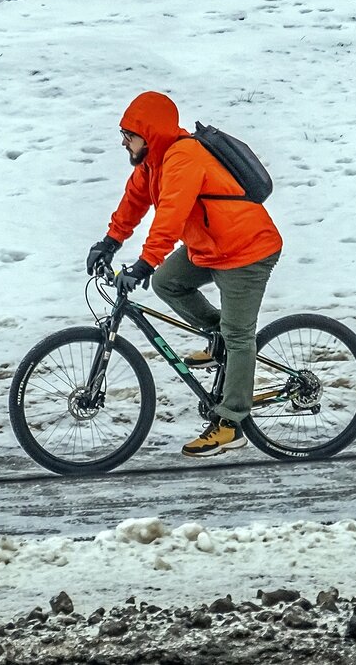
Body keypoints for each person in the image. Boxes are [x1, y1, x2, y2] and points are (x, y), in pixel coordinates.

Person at [85, 91, 283, 458]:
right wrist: (109, 243)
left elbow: (171, 215)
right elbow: (133, 204)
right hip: (210, 246)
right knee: (167, 282)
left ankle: (231, 423)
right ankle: (218, 337)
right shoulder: (152, 163)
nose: (124, 142)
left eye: (129, 134)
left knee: (240, 335)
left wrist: (145, 262)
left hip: (246, 250)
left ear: (150, 133)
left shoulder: (183, 157)